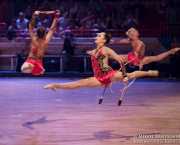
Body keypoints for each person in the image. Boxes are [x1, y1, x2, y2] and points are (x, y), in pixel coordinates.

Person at [44, 32, 158, 91]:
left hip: (109, 75)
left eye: (99, 35)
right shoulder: (95, 50)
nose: (97, 36)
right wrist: (91, 53)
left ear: (103, 40)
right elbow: (96, 55)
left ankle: (150, 73)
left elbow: (120, 61)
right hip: (98, 77)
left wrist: (124, 76)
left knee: (131, 75)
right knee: (80, 83)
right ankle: (56, 85)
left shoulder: (107, 49)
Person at [111, 28, 180, 70]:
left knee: (117, 56)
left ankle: (103, 55)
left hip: (132, 57)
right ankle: (171, 51)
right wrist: (140, 63)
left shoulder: (131, 40)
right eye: (135, 31)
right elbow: (136, 53)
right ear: (133, 34)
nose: (137, 31)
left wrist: (113, 40)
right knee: (157, 57)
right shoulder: (139, 42)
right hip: (137, 59)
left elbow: (122, 40)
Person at [21, 10, 60, 75]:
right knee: (39, 72)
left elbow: (30, 27)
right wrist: (57, 16)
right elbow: (52, 29)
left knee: (23, 69)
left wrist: (34, 16)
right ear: (45, 34)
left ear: (37, 34)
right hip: (38, 63)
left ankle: (31, 66)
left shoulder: (34, 40)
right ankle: (37, 67)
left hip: (30, 61)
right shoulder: (46, 41)